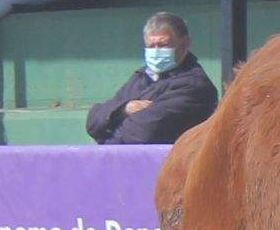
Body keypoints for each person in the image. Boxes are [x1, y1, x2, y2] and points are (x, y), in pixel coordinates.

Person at [85, 12, 219, 145]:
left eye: (163, 45)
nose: (156, 51)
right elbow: (92, 122)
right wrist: (124, 109)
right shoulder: (142, 76)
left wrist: (108, 130)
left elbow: (144, 133)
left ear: (186, 44)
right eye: (150, 46)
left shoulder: (194, 85)